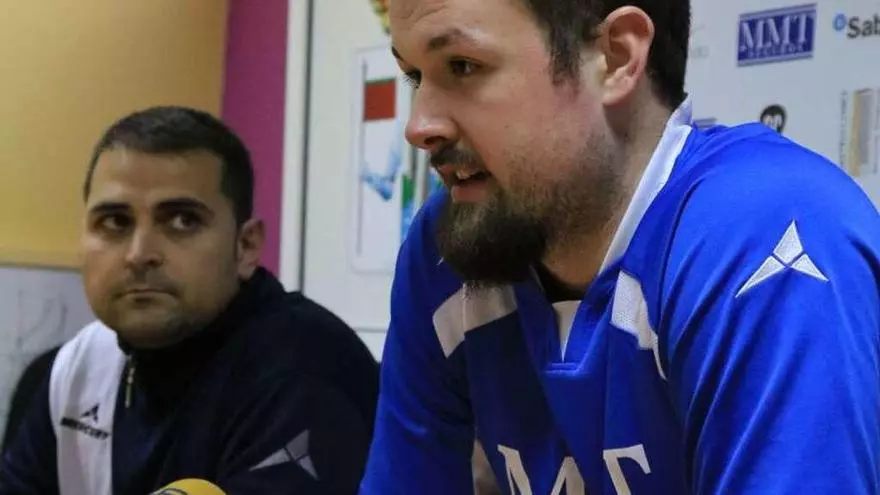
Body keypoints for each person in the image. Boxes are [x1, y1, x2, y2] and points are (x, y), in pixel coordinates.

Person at [360, 0, 880, 493]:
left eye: (463, 66)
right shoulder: (450, 247)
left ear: (615, 57)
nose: (418, 126)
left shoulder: (758, 229)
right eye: (415, 75)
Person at [0, 106, 380, 494]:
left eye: (182, 220)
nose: (139, 254)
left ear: (246, 246)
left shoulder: (306, 370)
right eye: (115, 221)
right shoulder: (74, 371)